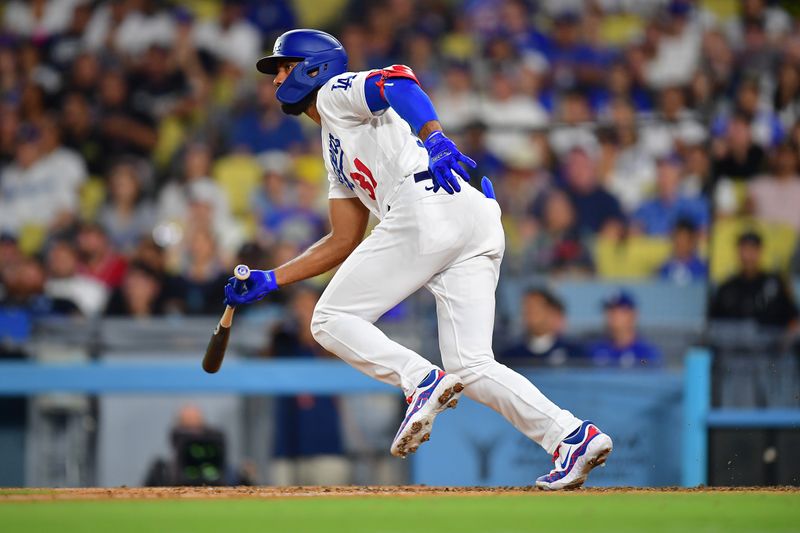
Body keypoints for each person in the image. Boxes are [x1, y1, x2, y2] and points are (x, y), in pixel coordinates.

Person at [224, 29, 612, 490]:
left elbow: (398, 81)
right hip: (473, 216)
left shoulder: (332, 92)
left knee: (328, 320)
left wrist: (435, 137)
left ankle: (419, 381)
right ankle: (570, 436)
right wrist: (275, 277)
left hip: (426, 207)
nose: (275, 80)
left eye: (283, 67)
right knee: (470, 366)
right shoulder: (333, 143)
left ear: (312, 67)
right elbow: (344, 238)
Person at [269, 286, 349, 485]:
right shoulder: (285, 340)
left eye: (309, 305)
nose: (304, 311)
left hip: (326, 442)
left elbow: (339, 360)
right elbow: (267, 357)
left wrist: (314, 331)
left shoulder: (333, 340)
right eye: (299, 306)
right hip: (288, 442)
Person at [709, 231, 798, 329]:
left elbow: (793, 319)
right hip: (731, 342)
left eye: (753, 249)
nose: (748, 256)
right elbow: (713, 323)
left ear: (760, 251)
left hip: (771, 343)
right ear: (738, 252)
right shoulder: (726, 287)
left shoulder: (774, 284)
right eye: (745, 249)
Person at [500, 288, 584, 366]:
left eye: (535, 308)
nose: (528, 313)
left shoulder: (574, 354)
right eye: (526, 309)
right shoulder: (510, 356)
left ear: (551, 312)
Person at [587, 290, 662, 368]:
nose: (612, 317)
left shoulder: (645, 353)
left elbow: (649, 365)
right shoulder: (594, 351)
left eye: (617, 311)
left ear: (633, 315)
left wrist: (642, 363)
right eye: (608, 311)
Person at [657, 219, 708, 285]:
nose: (680, 248)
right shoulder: (664, 269)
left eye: (684, 243)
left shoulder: (702, 269)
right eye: (677, 243)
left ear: (692, 242)